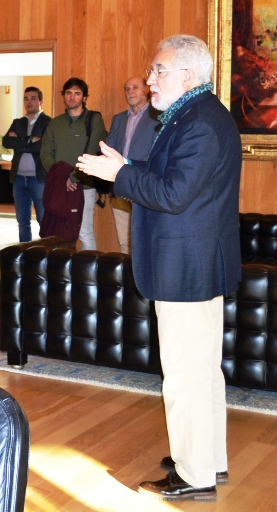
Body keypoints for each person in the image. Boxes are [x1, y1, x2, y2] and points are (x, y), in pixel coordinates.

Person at [77, 35, 240, 502]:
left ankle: (193, 475)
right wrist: (128, 162)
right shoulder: (197, 115)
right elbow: (172, 172)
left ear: (187, 75)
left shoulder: (200, 122)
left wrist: (119, 176)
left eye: (158, 71)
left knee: (187, 374)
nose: (149, 81)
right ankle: (208, 460)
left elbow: (172, 193)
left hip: (186, 266)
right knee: (204, 371)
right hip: (196, 263)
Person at [40, 77, 107, 250]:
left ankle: (88, 276)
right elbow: (46, 153)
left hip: (84, 186)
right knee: (58, 233)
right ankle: (62, 275)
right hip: (60, 187)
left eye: (77, 93)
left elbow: (93, 151)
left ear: (84, 97)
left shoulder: (94, 120)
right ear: (64, 96)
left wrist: (72, 177)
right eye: (68, 93)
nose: (72, 97)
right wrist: (62, 179)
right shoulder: (55, 123)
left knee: (84, 232)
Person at [104, 76, 158, 254]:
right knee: (124, 241)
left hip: (142, 185)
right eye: (127, 89)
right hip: (119, 185)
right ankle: (127, 280)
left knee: (142, 241)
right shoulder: (118, 119)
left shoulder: (158, 117)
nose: (130, 92)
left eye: (135, 87)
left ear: (146, 91)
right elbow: (109, 150)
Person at [3, 86, 50, 243]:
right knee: (22, 222)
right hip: (18, 178)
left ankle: (45, 255)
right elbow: (6, 141)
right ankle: (25, 255)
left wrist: (19, 142)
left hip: (39, 179)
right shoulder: (18, 122)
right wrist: (30, 139)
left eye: (33, 98)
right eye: (26, 98)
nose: (29, 102)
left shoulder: (48, 122)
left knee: (44, 221)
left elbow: (42, 146)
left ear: (41, 101)